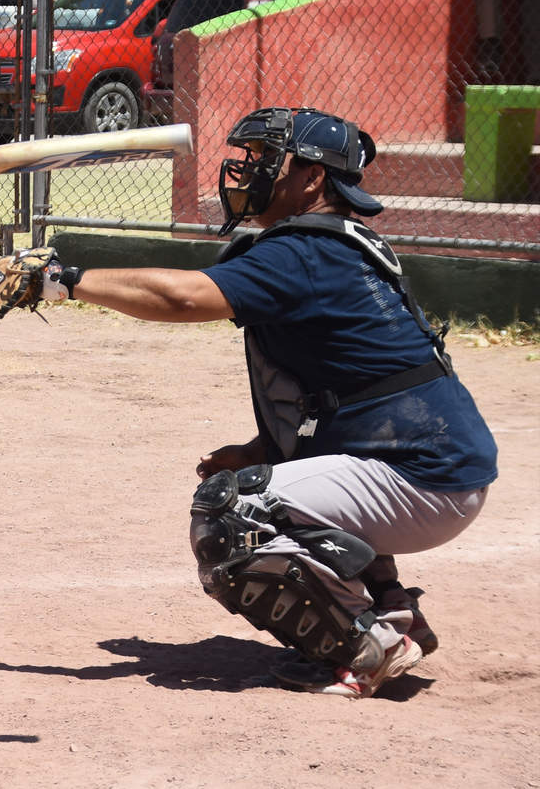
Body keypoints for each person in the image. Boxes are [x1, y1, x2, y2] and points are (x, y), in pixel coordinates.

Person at [36, 107, 498, 698]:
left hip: (424, 478)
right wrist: (262, 447)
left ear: (311, 178)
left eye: (266, 160)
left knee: (232, 515)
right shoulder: (331, 246)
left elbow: (182, 298)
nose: (249, 171)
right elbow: (349, 382)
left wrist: (60, 280)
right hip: (431, 464)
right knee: (270, 481)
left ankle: (368, 644)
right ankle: (394, 610)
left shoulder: (301, 253)